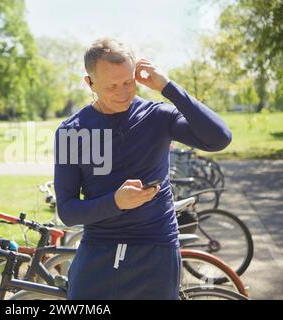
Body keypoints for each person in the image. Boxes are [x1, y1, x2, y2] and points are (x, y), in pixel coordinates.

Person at [53, 38, 232, 300]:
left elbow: (219, 138)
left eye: (128, 82)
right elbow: (67, 211)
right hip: (98, 255)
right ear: (89, 83)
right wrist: (115, 202)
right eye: (112, 86)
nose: (123, 92)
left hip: (156, 252)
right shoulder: (72, 131)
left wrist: (167, 86)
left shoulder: (158, 116)